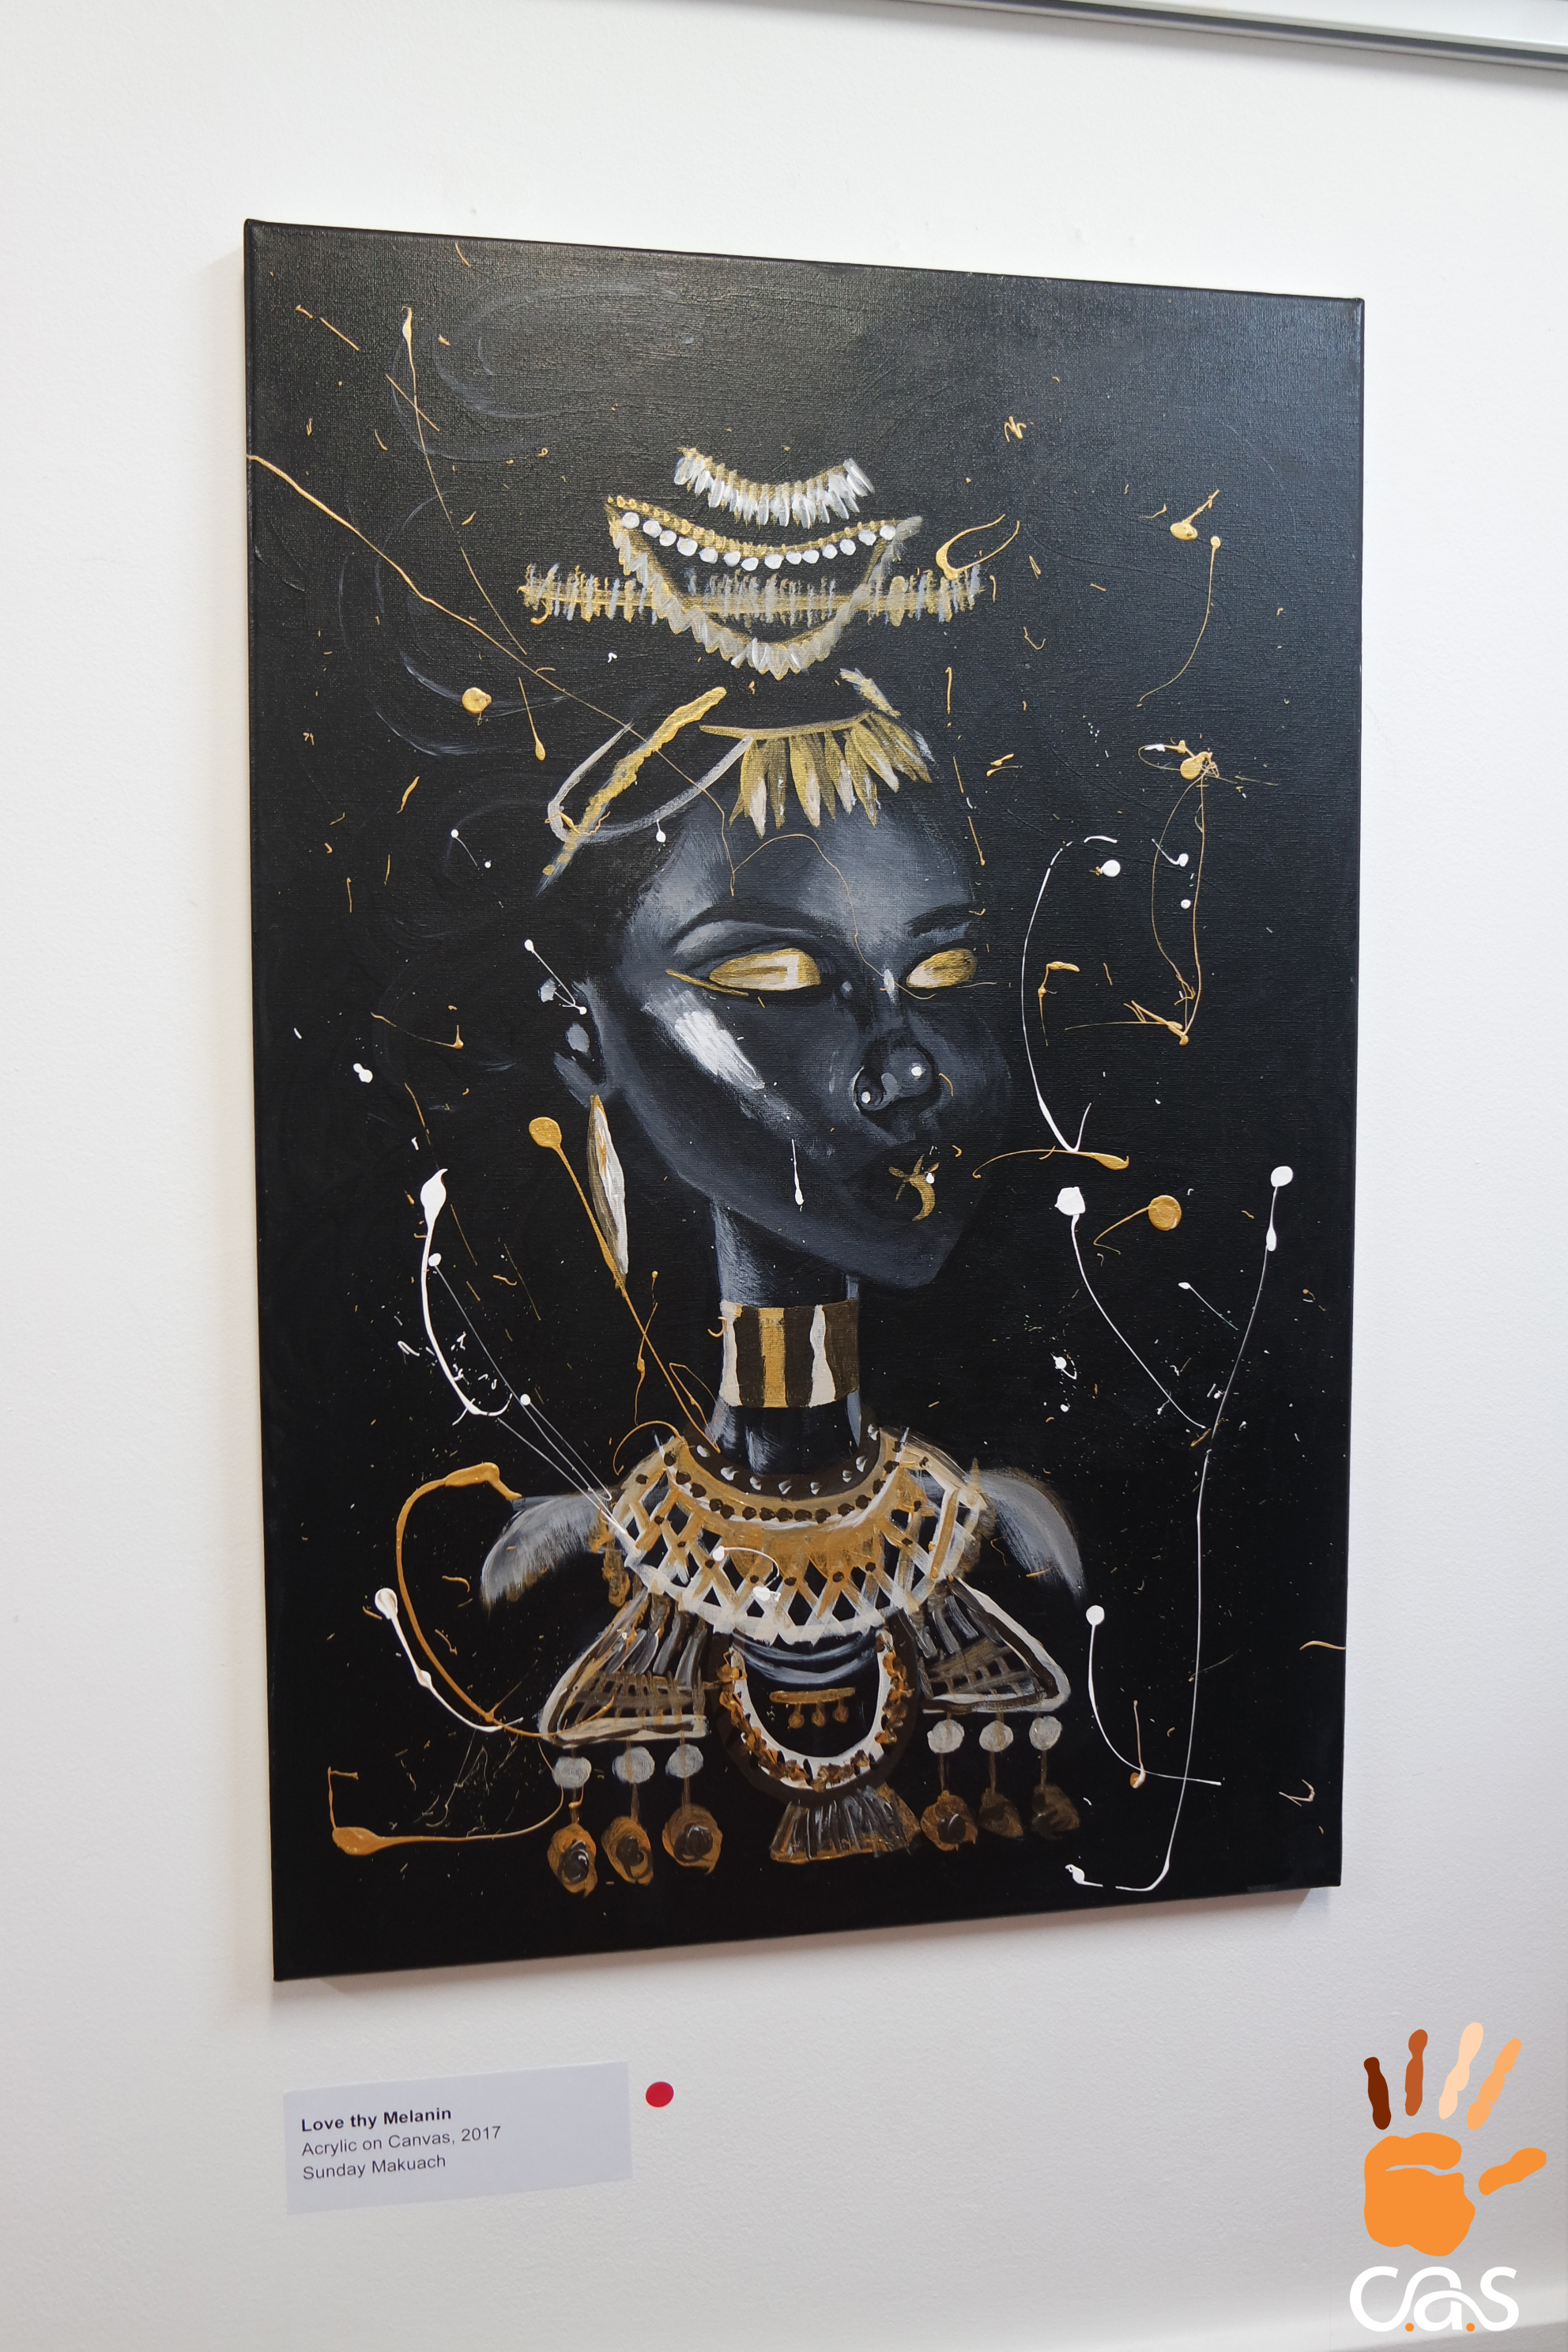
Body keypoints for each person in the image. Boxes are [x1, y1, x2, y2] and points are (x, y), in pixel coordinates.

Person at [464, 446, 1086, 1885]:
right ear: (585, 1038)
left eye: (946, 972)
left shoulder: (1011, 1539)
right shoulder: (552, 1564)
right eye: (778, 978)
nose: (908, 1067)